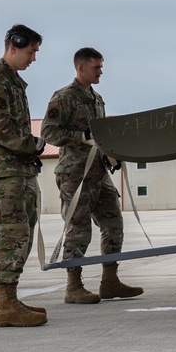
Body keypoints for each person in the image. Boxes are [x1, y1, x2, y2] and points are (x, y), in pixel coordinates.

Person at [42, 47, 143, 304]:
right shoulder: (63, 97)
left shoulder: (97, 98)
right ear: (81, 68)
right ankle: (73, 286)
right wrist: (81, 137)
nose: (101, 71)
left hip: (99, 172)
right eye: (97, 67)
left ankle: (110, 281)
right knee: (79, 229)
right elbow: (48, 132)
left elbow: (100, 136)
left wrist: (112, 154)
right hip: (75, 175)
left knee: (113, 224)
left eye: (101, 67)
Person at [0, 24, 47, 327]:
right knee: (13, 234)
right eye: (31, 52)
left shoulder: (13, 83)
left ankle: (8, 299)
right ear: (13, 46)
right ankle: (5, 304)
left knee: (23, 233)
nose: (33, 58)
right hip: (2, 171)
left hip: (17, 169)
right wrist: (34, 145)